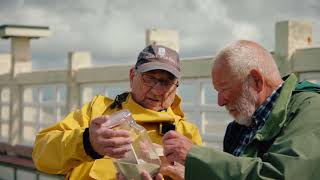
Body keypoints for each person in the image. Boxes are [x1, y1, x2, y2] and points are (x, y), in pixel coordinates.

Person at [32, 44, 202, 180]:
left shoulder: (186, 134)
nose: (157, 90)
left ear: (176, 86)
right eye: (149, 78)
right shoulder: (98, 110)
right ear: (131, 76)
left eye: (166, 82)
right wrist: (87, 142)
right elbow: (41, 154)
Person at [161, 40, 320, 179]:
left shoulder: (311, 109)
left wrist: (195, 156)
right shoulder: (238, 127)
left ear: (256, 81)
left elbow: (279, 176)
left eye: (224, 89)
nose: (220, 102)